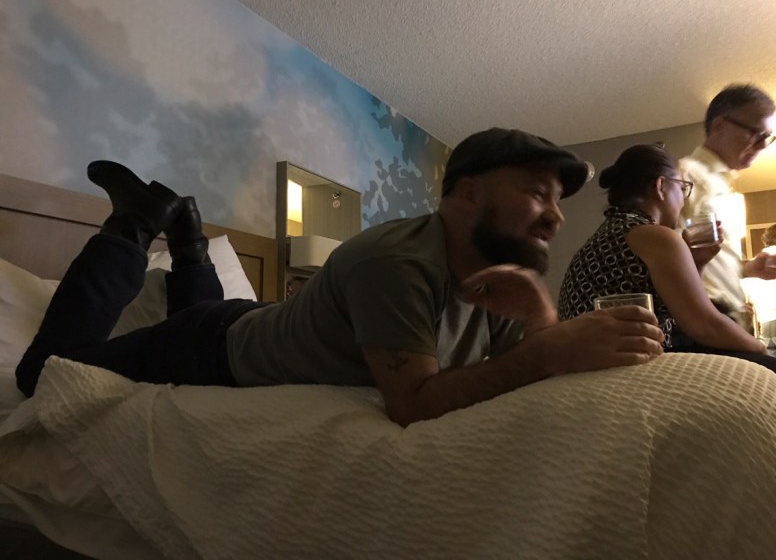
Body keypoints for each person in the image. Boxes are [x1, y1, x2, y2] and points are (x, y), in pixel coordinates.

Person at [16, 128, 665, 427]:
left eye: (558, 200)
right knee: (41, 375)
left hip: (254, 321)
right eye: (537, 192)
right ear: (467, 194)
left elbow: (522, 370)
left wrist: (542, 319)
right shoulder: (397, 262)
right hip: (210, 347)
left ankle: (189, 236)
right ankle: (133, 225)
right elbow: (412, 404)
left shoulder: (498, 273)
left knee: (199, 308)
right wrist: (548, 348)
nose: (556, 214)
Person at [558, 144, 775, 368]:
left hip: (584, 363)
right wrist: (760, 347)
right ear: (661, 186)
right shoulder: (654, 236)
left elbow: (683, 312)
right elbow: (705, 325)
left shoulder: (612, 232)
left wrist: (696, 263)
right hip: (625, 364)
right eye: (682, 188)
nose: (684, 200)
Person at [678, 84, 776, 330]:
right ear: (720, 126)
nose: (763, 146)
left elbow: (709, 262)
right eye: (757, 134)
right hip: (705, 323)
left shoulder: (726, 190)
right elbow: (670, 260)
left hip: (730, 322)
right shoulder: (684, 177)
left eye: (768, 137)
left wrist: (748, 268)